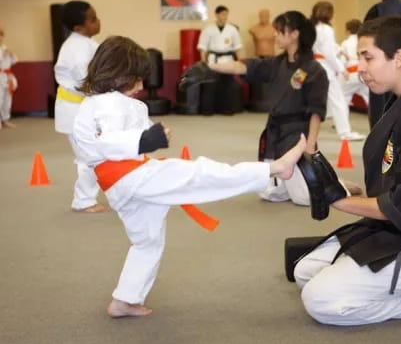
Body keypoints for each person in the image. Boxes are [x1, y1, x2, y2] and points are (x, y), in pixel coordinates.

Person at [72, 35, 307, 317]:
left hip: (124, 183)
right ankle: (274, 168)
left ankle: (125, 299)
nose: (142, 86)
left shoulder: (115, 103)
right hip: (131, 176)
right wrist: (145, 140)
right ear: (118, 74)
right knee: (202, 173)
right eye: (137, 79)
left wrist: (150, 136)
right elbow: (106, 142)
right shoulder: (105, 104)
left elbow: (127, 135)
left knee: (147, 242)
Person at [294, 16, 401, 326]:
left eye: (368, 57)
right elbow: (400, 178)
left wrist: (337, 199)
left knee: (319, 300)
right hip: (394, 232)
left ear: (399, 57)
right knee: (303, 271)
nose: (359, 67)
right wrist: (356, 192)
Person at [185, 11, 327, 205]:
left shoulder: (314, 69)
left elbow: (316, 111)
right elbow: (242, 67)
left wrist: (310, 145)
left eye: (279, 31)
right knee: (271, 194)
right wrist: (210, 68)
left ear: (294, 34)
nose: (274, 35)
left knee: (304, 198)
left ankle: (336, 185)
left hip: (297, 135)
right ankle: (313, 181)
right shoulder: (276, 63)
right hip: (274, 134)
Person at [54, 0, 106, 213]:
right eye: (92, 19)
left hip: (84, 108)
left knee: (98, 154)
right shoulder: (75, 49)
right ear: (78, 27)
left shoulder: (87, 43)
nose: (98, 21)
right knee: (88, 157)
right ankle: (84, 201)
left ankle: (97, 194)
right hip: (74, 110)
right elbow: (86, 81)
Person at [311, 2, 365, 141]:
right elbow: (328, 53)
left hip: (315, 66)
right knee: (339, 101)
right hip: (326, 68)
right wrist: (341, 69)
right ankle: (345, 133)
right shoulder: (327, 30)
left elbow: (327, 48)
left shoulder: (314, 27)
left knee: (314, 99)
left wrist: (339, 51)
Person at [364, 0, 401, 129]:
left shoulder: (376, 10)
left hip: (381, 63)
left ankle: (379, 143)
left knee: (379, 106)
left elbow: (365, 39)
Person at [197, 5, 243, 115]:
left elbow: (237, 47)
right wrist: (203, 62)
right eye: (222, 14)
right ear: (217, 15)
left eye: (226, 14)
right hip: (213, 60)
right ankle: (207, 110)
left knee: (228, 86)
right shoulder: (208, 29)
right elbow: (203, 47)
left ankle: (227, 109)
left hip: (228, 59)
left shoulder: (232, 29)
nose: (225, 17)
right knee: (210, 86)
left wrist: (240, 61)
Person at [339, 19, 369, 108]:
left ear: (347, 31)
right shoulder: (364, 41)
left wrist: (342, 72)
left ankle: (341, 121)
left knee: (343, 96)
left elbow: (342, 61)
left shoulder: (346, 43)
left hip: (352, 73)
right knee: (369, 96)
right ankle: (380, 118)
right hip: (365, 73)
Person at [0, 27, 18, 129]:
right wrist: (2, 55)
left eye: (1, 37)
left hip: (7, 76)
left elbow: (14, 61)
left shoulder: (5, 48)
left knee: (8, 99)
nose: (0, 39)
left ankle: (5, 119)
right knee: (0, 98)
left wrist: (11, 53)